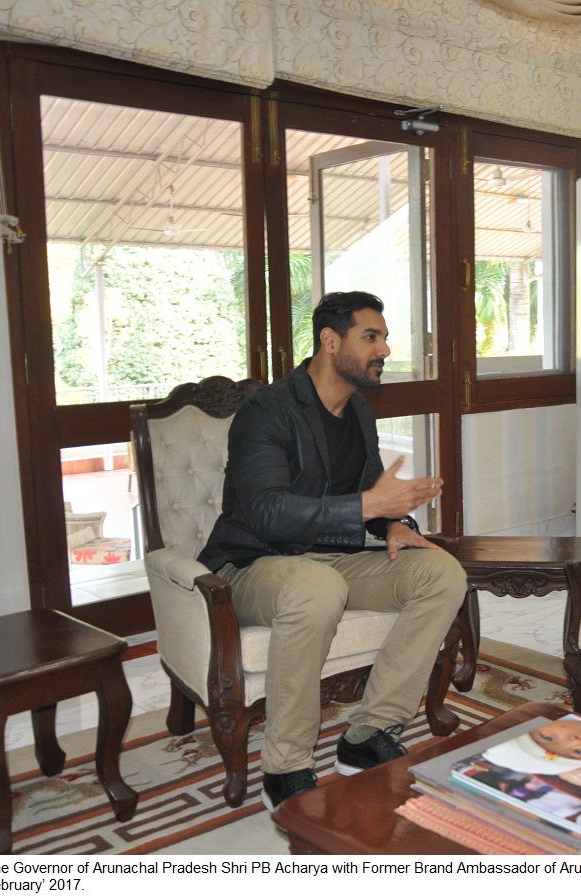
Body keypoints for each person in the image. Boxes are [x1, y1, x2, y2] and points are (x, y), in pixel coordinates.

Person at [198, 290, 467, 809]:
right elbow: (266, 513)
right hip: (256, 565)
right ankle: (286, 766)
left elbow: (367, 491)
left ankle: (367, 735)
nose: (384, 349)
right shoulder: (267, 412)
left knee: (441, 572)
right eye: (372, 336)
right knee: (317, 587)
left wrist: (392, 522)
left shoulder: (359, 409)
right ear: (329, 340)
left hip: (334, 556)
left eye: (384, 337)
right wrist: (369, 507)